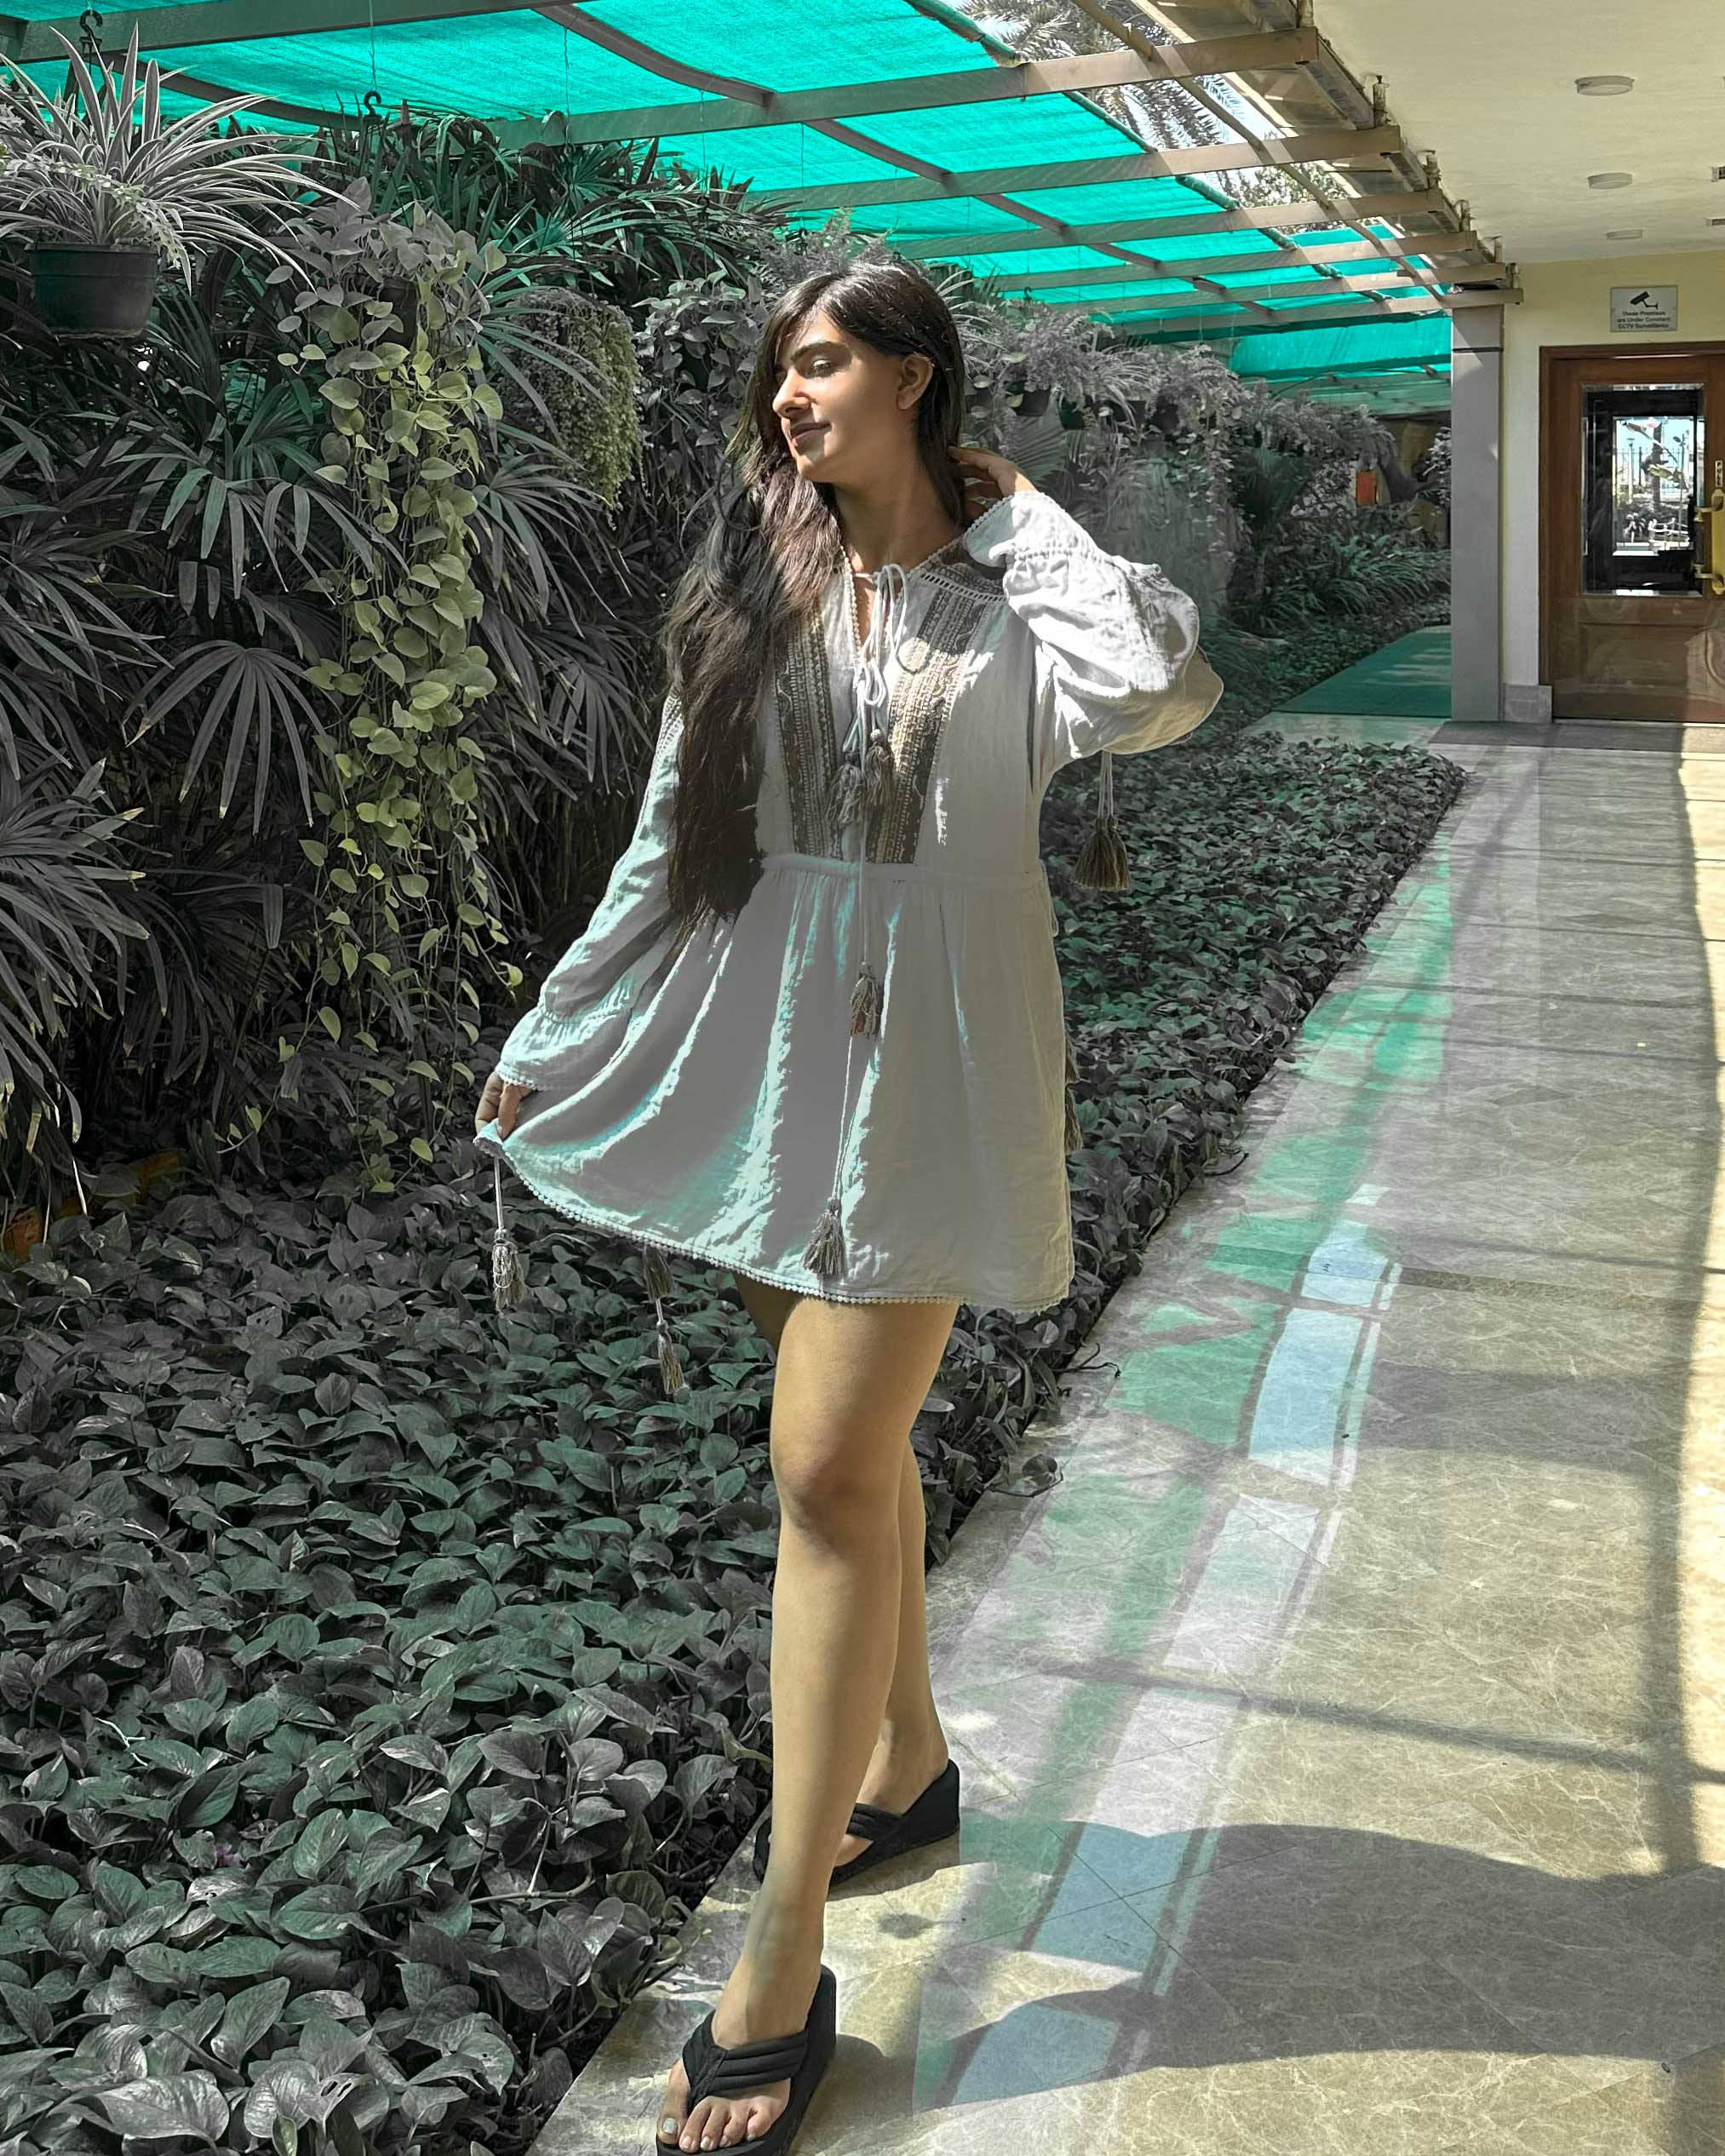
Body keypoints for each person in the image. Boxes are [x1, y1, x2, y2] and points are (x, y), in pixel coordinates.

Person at [473, 255, 1222, 2154]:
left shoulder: (1032, 608)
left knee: (819, 1467)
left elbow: (1153, 687)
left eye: (821, 364)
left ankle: (782, 1952)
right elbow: (670, 841)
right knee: (849, 1459)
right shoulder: (753, 593)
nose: (789, 399)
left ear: (912, 376)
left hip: (937, 1077)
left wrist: (1015, 509)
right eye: (778, 374)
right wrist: (557, 1025)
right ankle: (908, 1761)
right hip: (767, 1057)